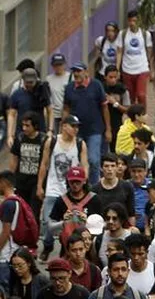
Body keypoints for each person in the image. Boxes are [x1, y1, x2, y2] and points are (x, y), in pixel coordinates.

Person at [38, 117, 90, 261]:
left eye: (77, 126)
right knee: (48, 223)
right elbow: (44, 164)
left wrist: (84, 182)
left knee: (73, 223)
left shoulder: (80, 143)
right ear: (64, 126)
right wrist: (40, 185)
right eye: (73, 126)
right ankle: (48, 245)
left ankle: (67, 251)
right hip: (52, 189)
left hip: (71, 191)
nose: (76, 129)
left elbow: (85, 164)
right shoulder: (52, 141)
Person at [62, 62, 111, 186]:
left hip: (95, 129)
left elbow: (104, 107)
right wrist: (64, 127)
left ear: (86, 72)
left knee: (93, 160)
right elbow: (66, 109)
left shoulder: (96, 85)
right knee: (75, 160)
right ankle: (78, 185)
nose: (76, 74)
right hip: (76, 131)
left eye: (79, 71)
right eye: (74, 71)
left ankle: (94, 187)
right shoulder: (69, 88)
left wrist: (108, 129)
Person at [10, 111, 47, 221]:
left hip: (36, 181)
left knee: (34, 213)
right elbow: (14, 160)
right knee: (20, 212)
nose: (24, 128)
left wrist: (40, 186)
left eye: (27, 125)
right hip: (21, 180)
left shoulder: (43, 140)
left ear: (35, 126)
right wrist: (10, 181)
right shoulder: (20, 138)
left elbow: (45, 164)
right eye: (23, 125)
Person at [116, 9, 153, 107]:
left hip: (142, 68)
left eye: (134, 21)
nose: (132, 23)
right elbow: (119, 52)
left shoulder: (145, 34)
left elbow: (150, 52)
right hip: (127, 69)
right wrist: (117, 69)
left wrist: (152, 69)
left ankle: (143, 113)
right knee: (130, 97)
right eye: (130, 21)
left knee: (141, 95)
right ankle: (133, 114)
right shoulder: (122, 34)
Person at [93, 154, 135, 228]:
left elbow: (131, 214)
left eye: (113, 166)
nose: (110, 169)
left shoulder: (127, 187)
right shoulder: (94, 189)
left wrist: (131, 228)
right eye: (106, 166)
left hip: (123, 229)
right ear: (101, 168)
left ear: (116, 167)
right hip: (102, 229)